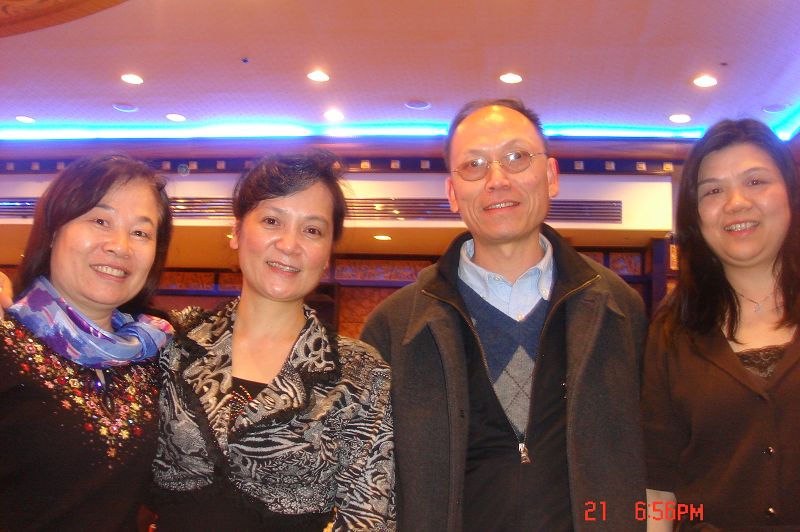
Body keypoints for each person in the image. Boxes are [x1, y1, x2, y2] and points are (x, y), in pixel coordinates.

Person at [361, 98, 648, 531]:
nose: (497, 180)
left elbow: (653, 459)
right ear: (452, 193)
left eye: (517, 157)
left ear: (551, 176)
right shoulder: (395, 326)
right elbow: (369, 486)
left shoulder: (619, 309)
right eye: (474, 165)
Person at [152, 150, 395, 531]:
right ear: (236, 231)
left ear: (327, 254)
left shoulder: (361, 373)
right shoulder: (171, 343)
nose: (289, 244)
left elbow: (368, 517)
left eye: (312, 230)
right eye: (271, 220)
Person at [0, 154, 174, 531]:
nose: (120, 246)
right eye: (100, 221)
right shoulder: (7, 341)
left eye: (141, 233)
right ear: (53, 230)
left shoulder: (154, 353)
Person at [642, 119, 800, 530]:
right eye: (712, 190)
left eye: (755, 181)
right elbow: (658, 485)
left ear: (790, 193)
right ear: (695, 215)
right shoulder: (671, 332)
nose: (735, 203)